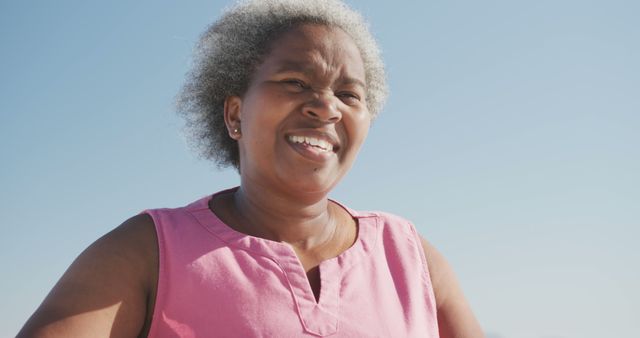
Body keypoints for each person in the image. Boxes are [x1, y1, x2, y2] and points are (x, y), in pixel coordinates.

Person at [18, 0, 483, 337]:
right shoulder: (145, 253)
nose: (326, 107)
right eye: (296, 82)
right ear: (235, 115)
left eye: (349, 94)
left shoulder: (409, 256)